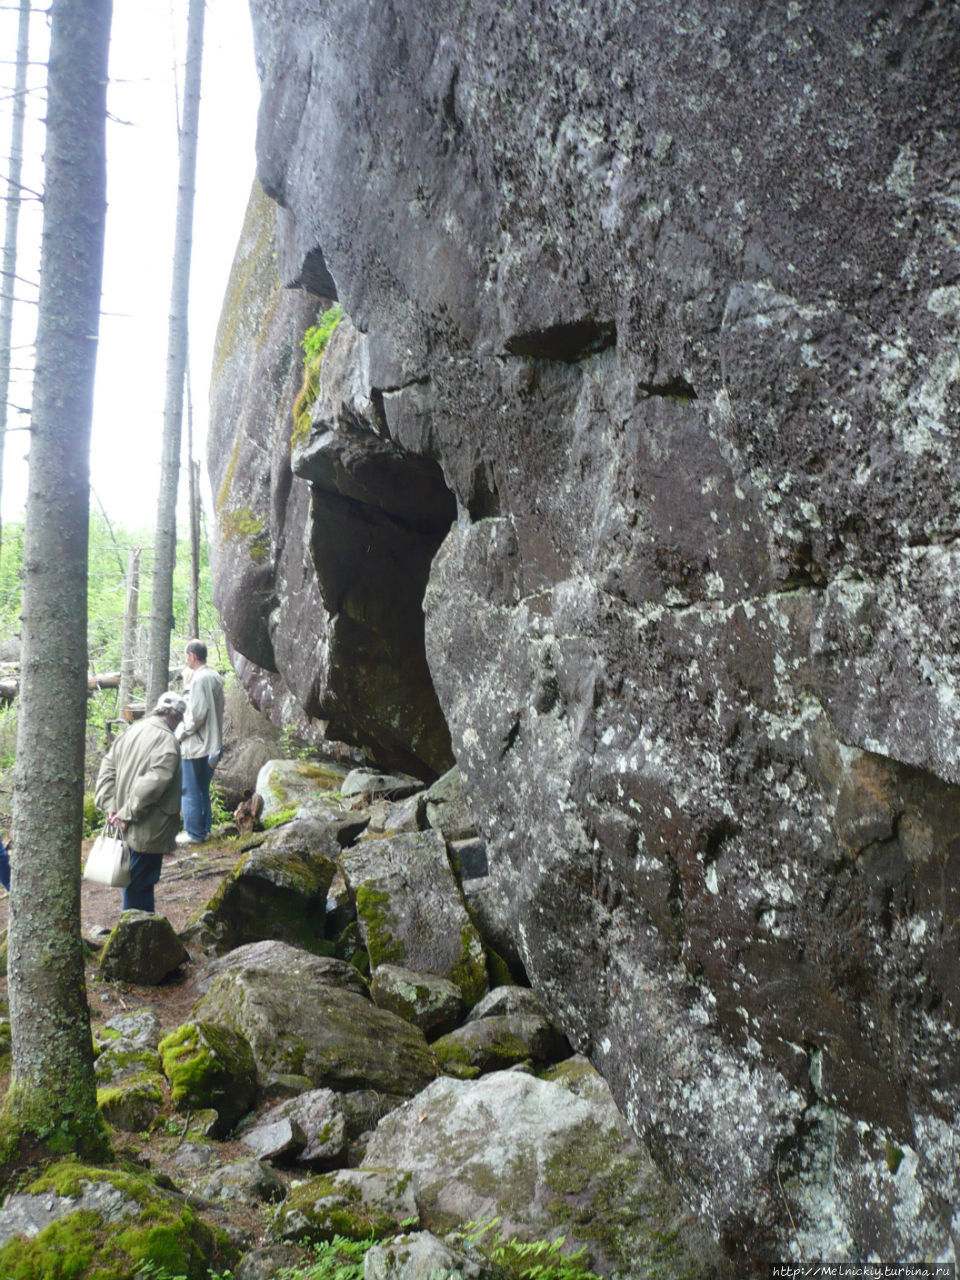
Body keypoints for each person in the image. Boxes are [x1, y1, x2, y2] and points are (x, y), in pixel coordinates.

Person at [94, 692, 186, 913]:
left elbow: (108, 768)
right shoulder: (167, 741)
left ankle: (136, 932)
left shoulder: (131, 731)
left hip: (128, 820)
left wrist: (112, 808)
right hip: (148, 825)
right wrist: (125, 813)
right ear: (176, 717)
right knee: (140, 884)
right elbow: (152, 785)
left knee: (134, 880)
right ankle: (136, 937)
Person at [176, 639, 225, 844]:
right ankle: (204, 829)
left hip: (196, 746)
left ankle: (194, 833)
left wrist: (178, 734)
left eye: (186, 655)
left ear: (193, 656)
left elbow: (195, 716)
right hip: (213, 744)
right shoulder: (214, 676)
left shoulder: (198, 680)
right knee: (203, 788)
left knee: (189, 790)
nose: (186, 659)